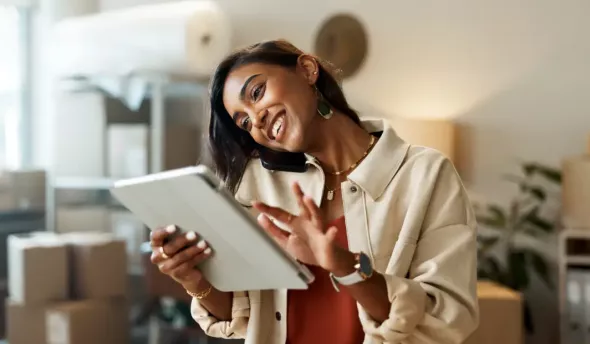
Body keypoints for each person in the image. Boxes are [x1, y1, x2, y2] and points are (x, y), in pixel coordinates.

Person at [149, 39, 479, 344]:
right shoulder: (257, 184)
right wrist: (193, 279)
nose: (257, 119)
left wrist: (345, 266)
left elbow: (447, 320)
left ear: (307, 70)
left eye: (257, 92)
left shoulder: (424, 175)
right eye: (245, 123)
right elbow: (243, 314)